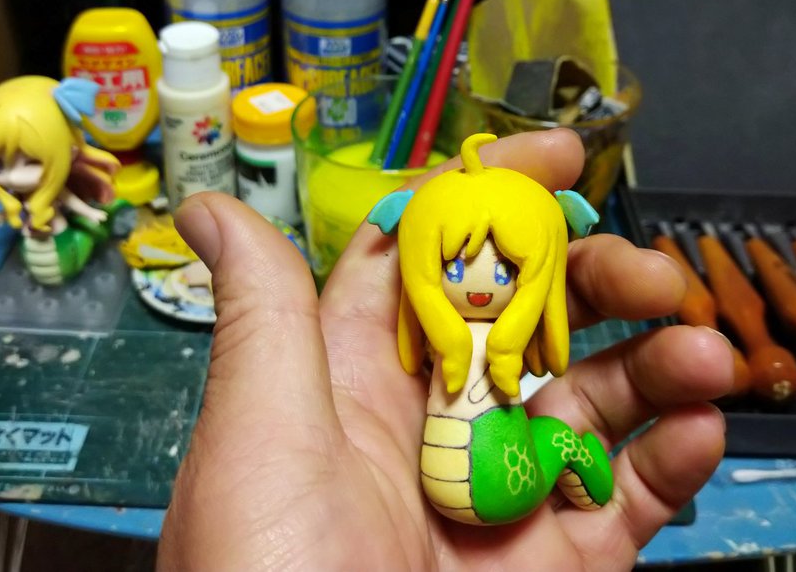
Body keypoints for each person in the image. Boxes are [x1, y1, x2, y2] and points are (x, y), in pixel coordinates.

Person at [158, 129, 734, 570]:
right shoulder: (442, 339)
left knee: (551, 440)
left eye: (505, 269)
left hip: (511, 481)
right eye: (455, 267)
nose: (479, 285)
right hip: (440, 491)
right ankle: (560, 444)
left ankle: (575, 456)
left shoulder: (506, 342)